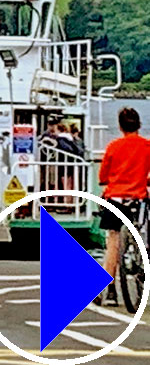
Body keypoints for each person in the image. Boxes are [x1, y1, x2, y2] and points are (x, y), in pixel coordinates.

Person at [96, 107, 150, 307]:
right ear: (139, 125)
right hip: (137, 198)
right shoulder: (147, 146)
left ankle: (109, 291)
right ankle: (142, 258)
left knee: (113, 242)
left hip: (115, 198)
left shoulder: (113, 147)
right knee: (142, 230)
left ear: (120, 126)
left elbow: (103, 177)